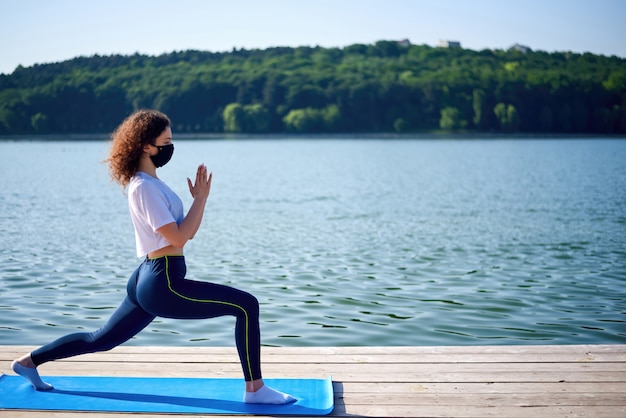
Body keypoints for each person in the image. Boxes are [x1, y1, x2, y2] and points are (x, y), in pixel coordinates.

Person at [12, 109, 295, 405]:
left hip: (150, 275)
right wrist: (198, 200)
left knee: (101, 339)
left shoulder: (151, 183)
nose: (171, 147)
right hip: (163, 281)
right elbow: (178, 237)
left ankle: (28, 363)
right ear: (146, 146)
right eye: (166, 141)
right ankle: (256, 390)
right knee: (246, 305)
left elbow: (188, 233)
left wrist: (201, 200)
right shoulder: (145, 187)